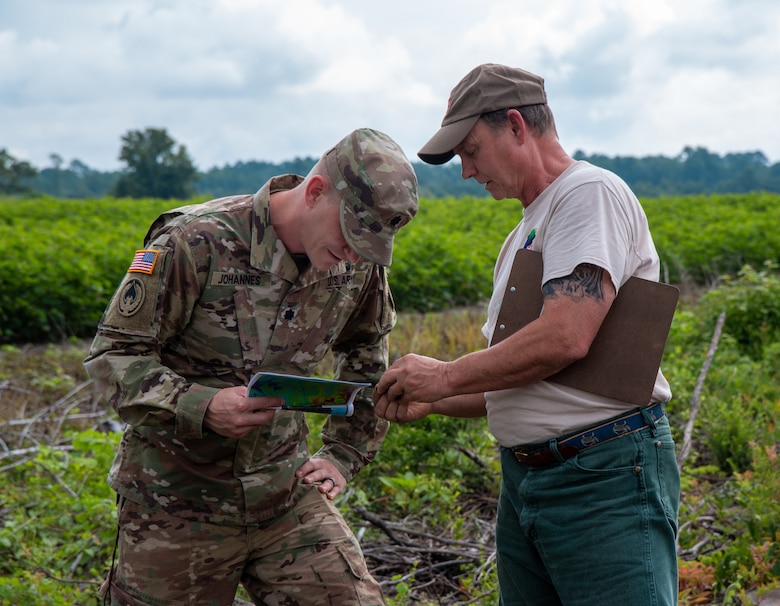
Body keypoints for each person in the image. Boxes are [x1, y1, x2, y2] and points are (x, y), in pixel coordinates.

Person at [373, 64, 680, 606]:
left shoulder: (589, 194)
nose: (467, 171)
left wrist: (443, 374)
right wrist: (435, 399)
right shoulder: (524, 232)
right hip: (529, 482)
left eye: (471, 150)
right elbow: (520, 375)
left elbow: (565, 337)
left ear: (516, 125)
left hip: (600, 476)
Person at [84, 127, 418, 606]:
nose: (353, 253)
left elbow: (366, 354)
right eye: (351, 234)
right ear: (316, 192)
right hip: (176, 505)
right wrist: (201, 405)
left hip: (284, 493)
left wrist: (345, 452)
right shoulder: (194, 241)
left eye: (369, 245)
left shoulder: (359, 262)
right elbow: (111, 356)